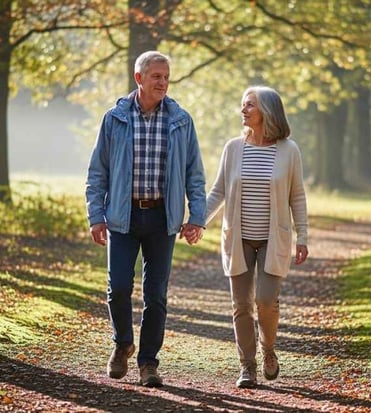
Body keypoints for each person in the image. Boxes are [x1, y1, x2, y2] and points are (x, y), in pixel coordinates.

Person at [85, 50, 206, 387]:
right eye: (156, 76)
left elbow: (195, 175)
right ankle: (122, 343)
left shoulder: (181, 120)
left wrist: (196, 217)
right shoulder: (115, 118)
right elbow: (98, 173)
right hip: (122, 217)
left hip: (163, 219)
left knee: (156, 295)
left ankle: (148, 362)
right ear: (139, 78)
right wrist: (96, 216)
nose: (163, 83)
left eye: (166, 77)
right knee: (118, 288)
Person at [188, 85, 309, 388]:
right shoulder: (233, 148)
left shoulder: (289, 150)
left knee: (266, 301)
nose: (243, 110)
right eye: (243, 105)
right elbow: (217, 192)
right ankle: (247, 366)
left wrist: (303, 235)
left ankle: (268, 350)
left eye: (250, 105)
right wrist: (196, 221)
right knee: (241, 305)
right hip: (238, 238)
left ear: (267, 110)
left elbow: (298, 196)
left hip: (273, 239)